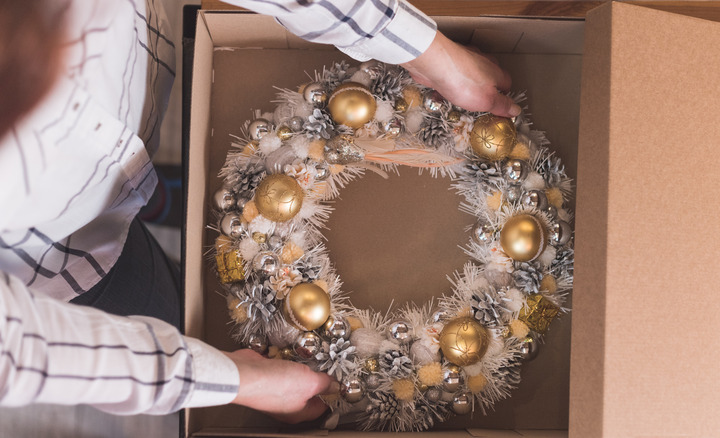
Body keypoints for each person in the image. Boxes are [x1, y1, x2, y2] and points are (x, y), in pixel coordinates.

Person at [0, 0, 518, 424]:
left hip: (133, 106)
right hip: (60, 257)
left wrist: (430, 53)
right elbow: (19, 351)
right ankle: (160, 200)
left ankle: (158, 196)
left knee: (153, 189)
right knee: (160, 301)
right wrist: (235, 379)